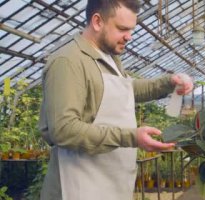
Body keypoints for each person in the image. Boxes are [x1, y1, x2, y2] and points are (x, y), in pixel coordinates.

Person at [38, 0, 193, 199]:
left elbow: (126, 89)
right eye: (122, 29)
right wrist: (132, 137)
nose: (129, 36)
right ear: (97, 22)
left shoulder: (109, 57)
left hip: (109, 182)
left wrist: (169, 82)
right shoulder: (68, 62)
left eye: (131, 29)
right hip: (77, 186)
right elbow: (64, 129)